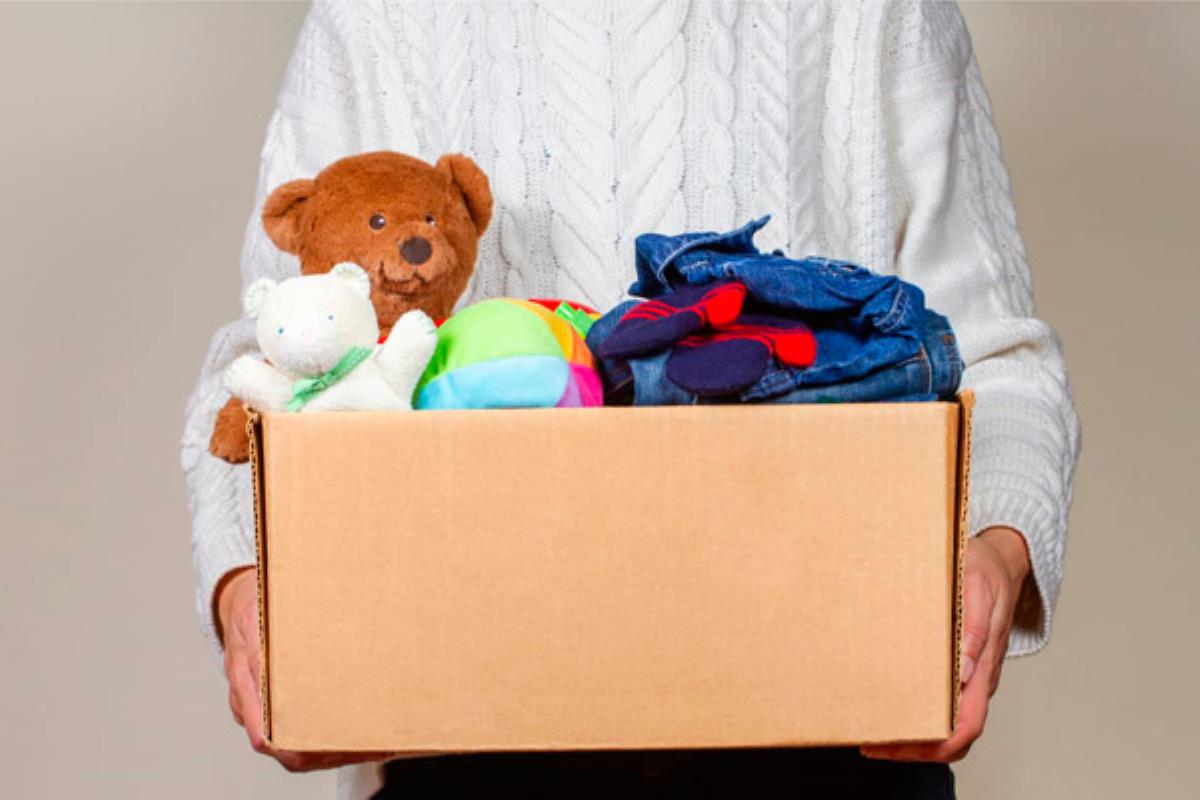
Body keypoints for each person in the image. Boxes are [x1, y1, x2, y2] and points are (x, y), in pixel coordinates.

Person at [181, 2, 1081, 797]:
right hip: (463, 742)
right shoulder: (379, 18)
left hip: (824, 734)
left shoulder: (881, 13)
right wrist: (246, 585)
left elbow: (994, 354)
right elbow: (279, 345)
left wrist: (993, 554)